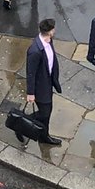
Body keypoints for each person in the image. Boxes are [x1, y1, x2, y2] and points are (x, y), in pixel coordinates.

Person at [23, 18, 62, 146]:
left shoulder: (49, 41)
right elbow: (30, 73)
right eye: (53, 29)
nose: (55, 31)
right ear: (49, 32)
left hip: (48, 82)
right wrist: (30, 93)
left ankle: (41, 133)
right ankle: (25, 125)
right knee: (45, 113)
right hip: (41, 87)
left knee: (46, 112)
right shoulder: (34, 51)